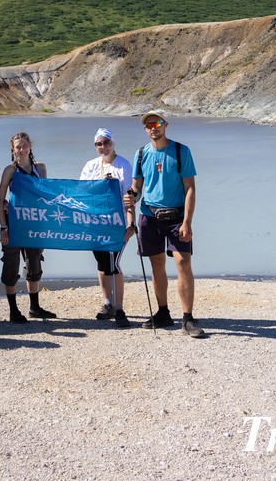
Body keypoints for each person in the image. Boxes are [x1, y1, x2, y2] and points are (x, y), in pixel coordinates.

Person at [123, 110, 204, 338]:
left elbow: (190, 188)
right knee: (156, 264)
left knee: (183, 263)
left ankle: (187, 318)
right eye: (149, 125)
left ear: (165, 124)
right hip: (149, 215)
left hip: (176, 216)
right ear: (145, 129)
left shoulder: (180, 151)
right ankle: (163, 312)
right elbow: (137, 187)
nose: (153, 127)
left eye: (157, 123)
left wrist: (187, 222)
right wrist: (131, 196)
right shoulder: (140, 154)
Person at [0, 131, 55, 323]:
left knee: (34, 262)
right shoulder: (9, 171)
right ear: (12, 150)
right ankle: (13, 310)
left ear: (30, 146)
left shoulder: (41, 168)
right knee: (11, 265)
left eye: (24, 146)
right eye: (17, 147)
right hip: (13, 225)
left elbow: (46, 196)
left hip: (34, 223)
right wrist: (4, 228)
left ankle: (34, 307)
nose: (21, 150)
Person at [79, 128, 133, 328]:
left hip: (117, 223)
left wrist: (130, 223)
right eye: (99, 144)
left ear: (113, 143)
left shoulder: (123, 165)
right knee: (102, 264)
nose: (103, 147)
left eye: (106, 143)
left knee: (114, 264)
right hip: (95, 223)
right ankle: (107, 302)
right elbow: (82, 193)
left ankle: (119, 308)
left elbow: (130, 198)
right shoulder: (90, 166)